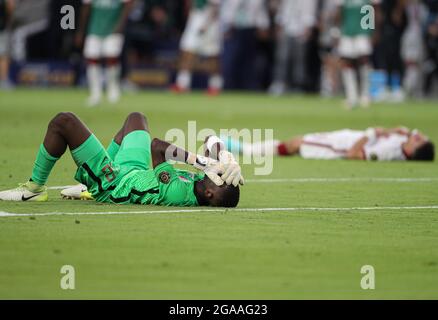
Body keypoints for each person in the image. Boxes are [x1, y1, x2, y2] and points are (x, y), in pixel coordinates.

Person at [0, 112, 243, 207]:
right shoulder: (204, 184)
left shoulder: (179, 193)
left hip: (114, 183)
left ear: (210, 194)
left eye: (219, 177)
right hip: (133, 171)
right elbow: (210, 137)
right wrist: (224, 155)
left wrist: (203, 162)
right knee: (135, 119)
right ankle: (87, 185)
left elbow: (157, 147)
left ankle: (34, 188)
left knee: (64, 122)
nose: (218, 172)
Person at [224, 127, 435, 161]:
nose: (416, 136)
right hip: (339, 137)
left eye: (418, 141)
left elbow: (355, 155)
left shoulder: (389, 152)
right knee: (294, 143)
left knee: (295, 144)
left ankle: (242, 149)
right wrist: (390, 131)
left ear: (414, 150)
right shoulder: (401, 141)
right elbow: (408, 130)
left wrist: (371, 133)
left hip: (338, 148)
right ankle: (244, 148)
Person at [75, 0, 133, 106]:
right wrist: (81, 31)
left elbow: (128, 6)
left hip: (113, 29)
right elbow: (85, 9)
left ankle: (113, 89)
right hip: (94, 29)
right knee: (92, 59)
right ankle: (95, 93)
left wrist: (120, 25)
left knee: (111, 58)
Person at [171, 0, 223, 95]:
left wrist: (206, 24)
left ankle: (215, 86)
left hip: (208, 24)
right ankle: (182, 84)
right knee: (186, 52)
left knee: (212, 56)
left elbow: (215, 7)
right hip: (194, 20)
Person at [336, 0, 381, 109]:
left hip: (364, 29)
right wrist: (337, 31)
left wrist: (375, 31)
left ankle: (365, 95)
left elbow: (376, 10)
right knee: (346, 62)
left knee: (364, 60)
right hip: (347, 30)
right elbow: (339, 12)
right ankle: (351, 97)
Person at [268, 0, 318, 96]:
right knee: (282, 58)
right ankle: (280, 83)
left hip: (300, 29)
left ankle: (298, 85)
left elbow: (309, 11)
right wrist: (279, 26)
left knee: (299, 60)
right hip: (287, 28)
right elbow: (283, 10)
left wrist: (307, 28)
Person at [0, 0, 14, 89]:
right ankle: (3, 80)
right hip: (2, 29)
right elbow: (10, 7)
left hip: (2, 28)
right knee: (3, 56)